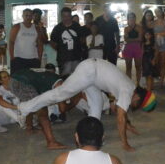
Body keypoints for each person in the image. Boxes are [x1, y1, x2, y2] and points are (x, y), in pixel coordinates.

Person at [18, 58, 154, 152]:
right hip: (89, 72)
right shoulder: (127, 90)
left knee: (97, 105)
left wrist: (128, 124)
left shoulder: (130, 87)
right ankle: (24, 108)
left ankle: (90, 138)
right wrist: (125, 144)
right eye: (138, 104)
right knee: (60, 94)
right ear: (138, 96)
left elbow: (119, 110)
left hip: (93, 76)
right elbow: (120, 118)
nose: (135, 105)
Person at [8, 68, 73, 150]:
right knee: (42, 111)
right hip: (22, 82)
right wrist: (75, 100)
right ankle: (51, 142)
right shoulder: (60, 84)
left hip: (15, 80)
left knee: (32, 104)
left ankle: (29, 128)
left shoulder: (52, 78)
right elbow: (62, 109)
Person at [51, 7, 86, 76]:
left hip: (76, 58)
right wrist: (61, 50)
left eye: (68, 16)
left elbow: (83, 40)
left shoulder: (77, 26)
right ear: (61, 17)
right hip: (63, 60)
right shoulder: (57, 28)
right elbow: (53, 43)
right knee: (65, 80)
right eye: (64, 16)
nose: (66, 18)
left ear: (71, 16)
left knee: (77, 79)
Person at [122, 12, 144, 85]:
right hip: (128, 48)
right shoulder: (126, 28)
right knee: (128, 67)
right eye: (130, 17)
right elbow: (126, 40)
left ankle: (138, 84)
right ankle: (129, 84)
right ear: (128, 19)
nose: (132, 19)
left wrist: (130, 39)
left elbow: (140, 39)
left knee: (138, 66)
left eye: (133, 17)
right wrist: (136, 39)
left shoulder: (139, 27)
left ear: (135, 18)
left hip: (137, 48)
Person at [152, 8, 165, 89]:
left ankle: (161, 81)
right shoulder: (154, 22)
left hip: (163, 43)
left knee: (163, 62)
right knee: (156, 61)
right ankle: (156, 77)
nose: (157, 13)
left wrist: (157, 33)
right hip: (155, 44)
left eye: (158, 12)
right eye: (156, 12)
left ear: (161, 12)